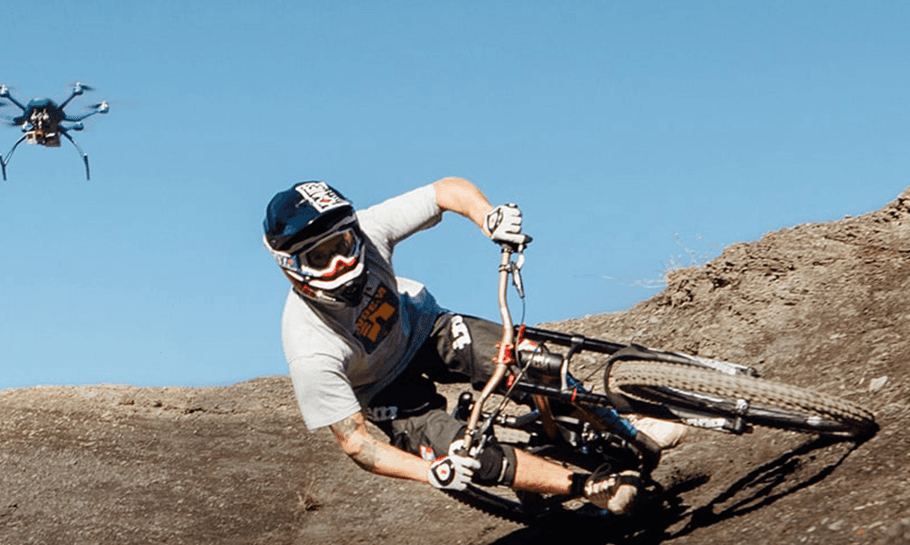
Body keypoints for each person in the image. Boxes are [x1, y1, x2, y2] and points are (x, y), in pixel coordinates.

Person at [263, 179, 683, 514]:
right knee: (469, 457)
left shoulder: (370, 230)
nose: (340, 262)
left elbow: (445, 191)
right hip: (386, 391)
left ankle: (627, 427)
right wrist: (433, 472)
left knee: (531, 361)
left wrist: (489, 218)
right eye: (320, 258)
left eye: (341, 245)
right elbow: (359, 444)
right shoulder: (309, 348)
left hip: (427, 329)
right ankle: (589, 487)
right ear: (291, 266)